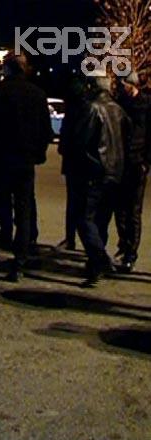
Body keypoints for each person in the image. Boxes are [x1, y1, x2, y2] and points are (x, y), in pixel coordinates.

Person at [0, 53, 52, 282]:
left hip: (0, 161)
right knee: (23, 212)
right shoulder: (37, 94)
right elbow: (46, 131)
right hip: (24, 162)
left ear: (8, 69)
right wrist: (37, 154)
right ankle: (18, 264)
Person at [72, 72, 130, 286]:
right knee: (100, 220)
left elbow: (82, 141)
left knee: (84, 219)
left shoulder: (93, 108)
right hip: (115, 171)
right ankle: (95, 265)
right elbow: (127, 139)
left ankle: (99, 259)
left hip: (95, 172)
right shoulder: (118, 110)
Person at [114, 71, 150, 273]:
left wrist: (146, 161)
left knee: (133, 211)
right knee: (120, 209)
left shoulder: (146, 105)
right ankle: (124, 244)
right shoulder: (121, 102)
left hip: (137, 162)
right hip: (122, 161)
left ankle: (131, 253)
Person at [56, 76, 90, 252]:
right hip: (83, 163)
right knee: (84, 205)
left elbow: (66, 138)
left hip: (74, 163)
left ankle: (72, 238)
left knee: (75, 204)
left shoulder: (74, 112)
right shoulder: (87, 108)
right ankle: (85, 241)